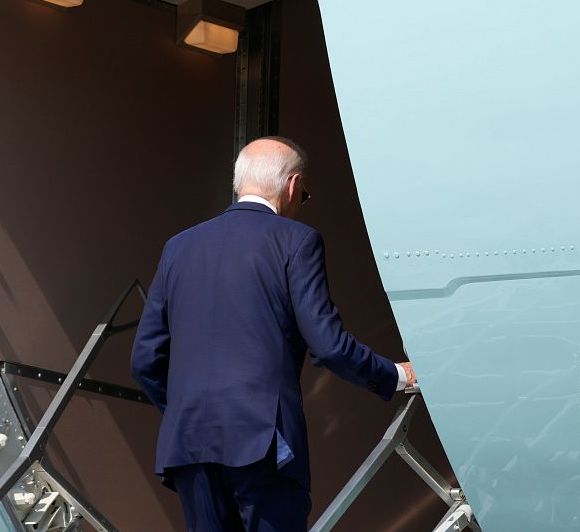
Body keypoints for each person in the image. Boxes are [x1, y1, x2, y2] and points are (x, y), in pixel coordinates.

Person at [130, 136, 415, 532]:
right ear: (293, 185)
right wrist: (397, 374)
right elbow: (329, 346)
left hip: (189, 441)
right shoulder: (296, 241)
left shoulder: (178, 247)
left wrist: (188, 410)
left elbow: (144, 361)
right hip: (263, 441)